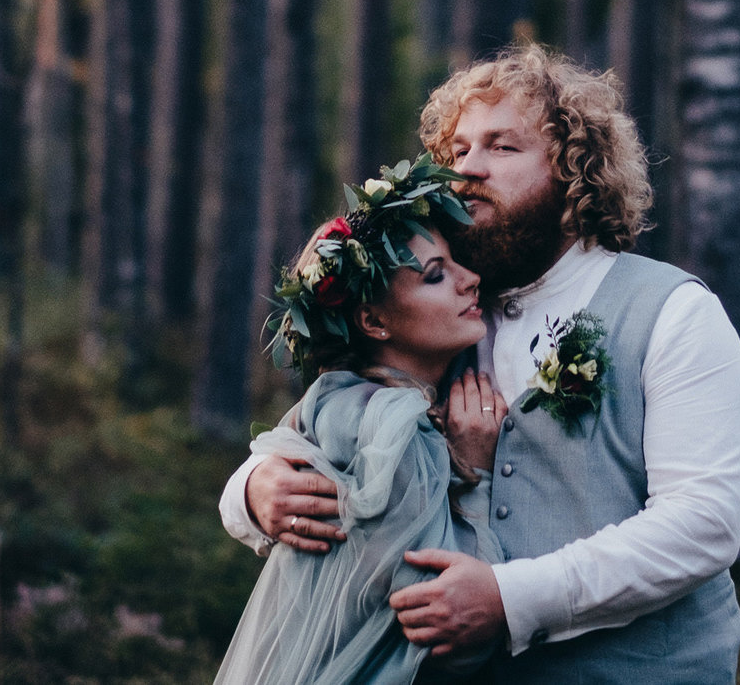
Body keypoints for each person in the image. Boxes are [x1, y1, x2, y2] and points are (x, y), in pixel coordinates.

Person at [221, 45, 740, 682]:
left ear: (575, 169)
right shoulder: (441, 314)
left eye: (502, 148)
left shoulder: (674, 314)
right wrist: (255, 494)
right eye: (459, 150)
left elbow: (702, 525)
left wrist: (510, 599)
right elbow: (315, 429)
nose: (468, 170)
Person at [209, 156, 514, 685]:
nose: (471, 280)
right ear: (372, 321)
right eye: (436, 276)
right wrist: (478, 479)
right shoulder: (387, 427)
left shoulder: (339, 402)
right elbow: (448, 636)